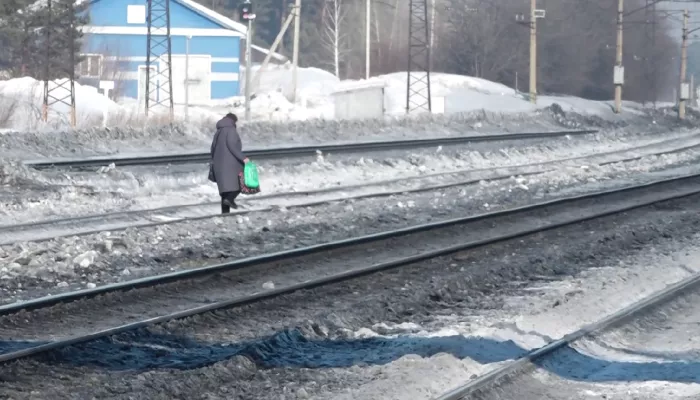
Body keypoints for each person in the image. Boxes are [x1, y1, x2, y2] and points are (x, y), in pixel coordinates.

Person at [210, 112, 249, 214]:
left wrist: (214, 161)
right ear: (233, 121)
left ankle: (225, 213)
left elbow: (212, 148)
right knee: (240, 184)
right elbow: (233, 147)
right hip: (231, 165)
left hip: (219, 165)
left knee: (224, 191)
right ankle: (230, 200)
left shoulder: (218, 132)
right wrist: (244, 158)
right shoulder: (231, 130)